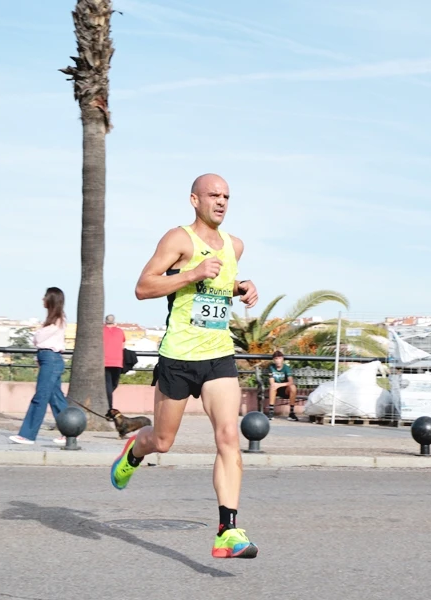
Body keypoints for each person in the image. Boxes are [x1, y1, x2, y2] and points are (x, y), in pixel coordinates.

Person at [110, 173, 260, 559]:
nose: (222, 201)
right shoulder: (178, 239)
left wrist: (242, 287)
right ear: (195, 200)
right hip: (178, 356)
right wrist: (192, 272)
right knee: (162, 440)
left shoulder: (234, 246)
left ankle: (228, 529)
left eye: (227, 195)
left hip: (218, 354)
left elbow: (218, 288)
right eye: (214, 195)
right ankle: (134, 452)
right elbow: (143, 287)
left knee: (229, 435)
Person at [9, 287, 68, 446]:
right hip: (48, 359)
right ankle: (69, 432)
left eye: (45, 297)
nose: (43, 299)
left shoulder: (58, 319)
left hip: (51, 359)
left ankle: (27, 435)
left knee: (41, 396)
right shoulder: (54, 319)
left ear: (51, 299)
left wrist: (37, 334)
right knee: (56, 398)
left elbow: (39, 338)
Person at [266, 350, 298, 421]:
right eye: (276, 359)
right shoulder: (271, 367)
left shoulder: (286, 368)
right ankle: (271, 412)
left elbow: (290, 382)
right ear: (274, 360)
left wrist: (279, 385)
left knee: (293, 387)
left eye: (279, 358)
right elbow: (271, 381)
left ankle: (291, 413)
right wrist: (275, 385)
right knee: (272, 387)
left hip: (285, 389)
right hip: (276, 389)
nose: (278, 360)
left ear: (282, 359)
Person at [103, 314, 125, 411]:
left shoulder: (101, 330)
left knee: (108, 385)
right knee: (114, 384)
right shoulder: (120, 331)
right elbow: (123, 344)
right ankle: (109, 406)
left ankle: (105, 399)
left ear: (105, 321)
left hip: (105, 362)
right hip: (117, 362)